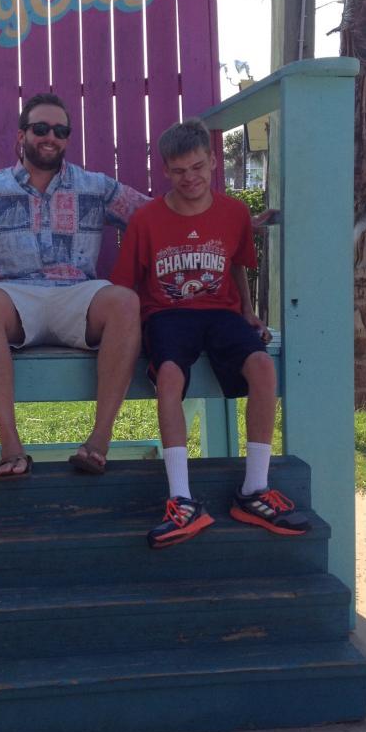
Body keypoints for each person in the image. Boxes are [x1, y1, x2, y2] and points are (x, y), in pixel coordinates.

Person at [111, 117, 310, 548]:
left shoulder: (234, 212)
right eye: (179, 171)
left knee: (262, 367)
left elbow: (236, 265)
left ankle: (254, 489)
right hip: (166, 315)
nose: (190, 178)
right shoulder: (146, 220)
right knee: (169, 377)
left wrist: (249, 312)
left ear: (213, 162)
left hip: (221, 314)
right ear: (165, 171)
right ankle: (182, 498)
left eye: (198, 167)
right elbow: (124, 285)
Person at [0, 92, 148, 478]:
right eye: (40, 128)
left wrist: (230, 220)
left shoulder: (95, 187)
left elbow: (155, 215)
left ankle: (98, 442)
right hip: (14, 296)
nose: (50, 136)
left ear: (68, 138)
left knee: (123, 302)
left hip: (77, 294)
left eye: (60, 130)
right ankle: (10, 447)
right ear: (21, 136)